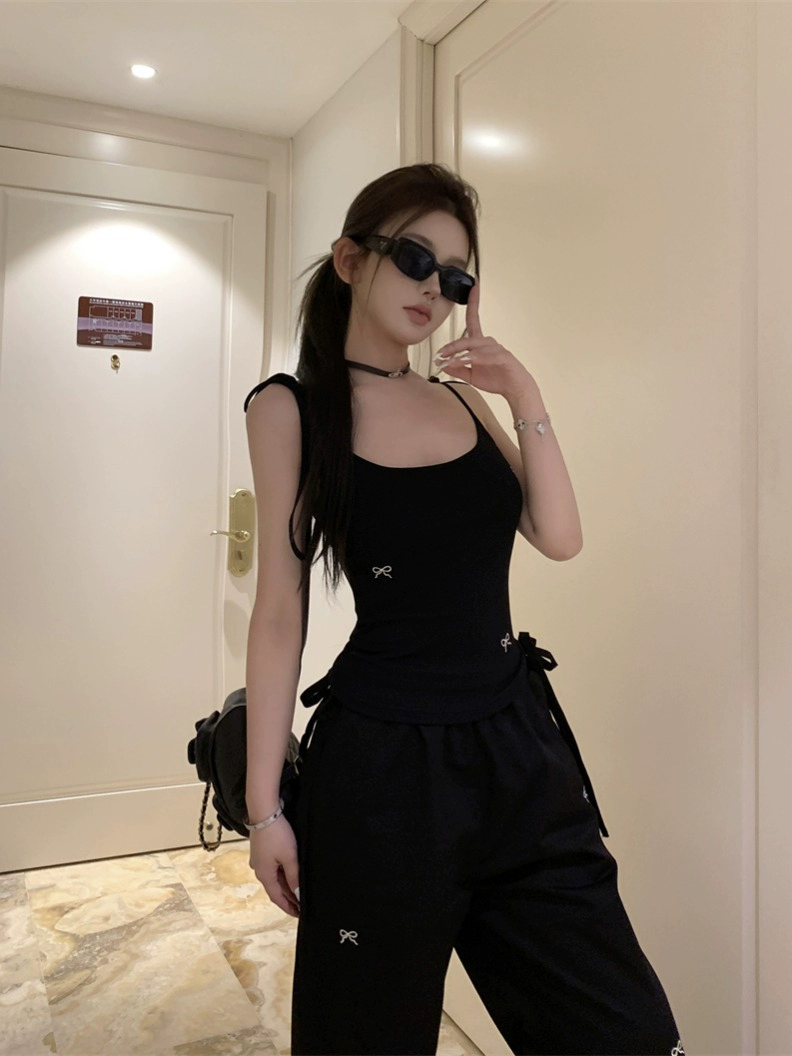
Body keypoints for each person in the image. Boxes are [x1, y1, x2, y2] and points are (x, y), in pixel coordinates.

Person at [243, 163, 685, 1056]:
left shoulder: (464, 402)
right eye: (415, 259)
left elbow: (559, 536)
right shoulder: (291, 407)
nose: (434, 291)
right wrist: (264, 810)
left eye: (456, 278)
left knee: (625, 1030)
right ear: (348, 260)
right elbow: (280, 609)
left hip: (519, 748)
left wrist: (524, 395)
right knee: (364, 1037)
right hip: (382, 770)